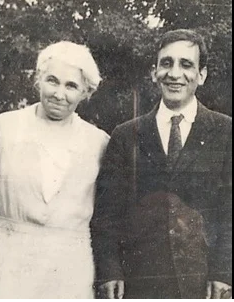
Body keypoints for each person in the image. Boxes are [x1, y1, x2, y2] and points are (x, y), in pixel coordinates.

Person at [91, 29, 232, 299]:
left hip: (203, 284)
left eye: (186, 64)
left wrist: (224, 272)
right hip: (139, 282)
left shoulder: (225, 132)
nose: (174, 73)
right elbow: (107, 214)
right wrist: (110, 270)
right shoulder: (125, 135)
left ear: (201, 75)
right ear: (154, 71)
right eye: (166, 63)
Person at [0, 41, 109, 299]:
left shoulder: (99, 143)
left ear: (86, 91)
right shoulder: (5, 129)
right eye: (52, 81)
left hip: (71, 270)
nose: (60, 94)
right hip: (9, 262)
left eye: (71, 86)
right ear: (38, 80)